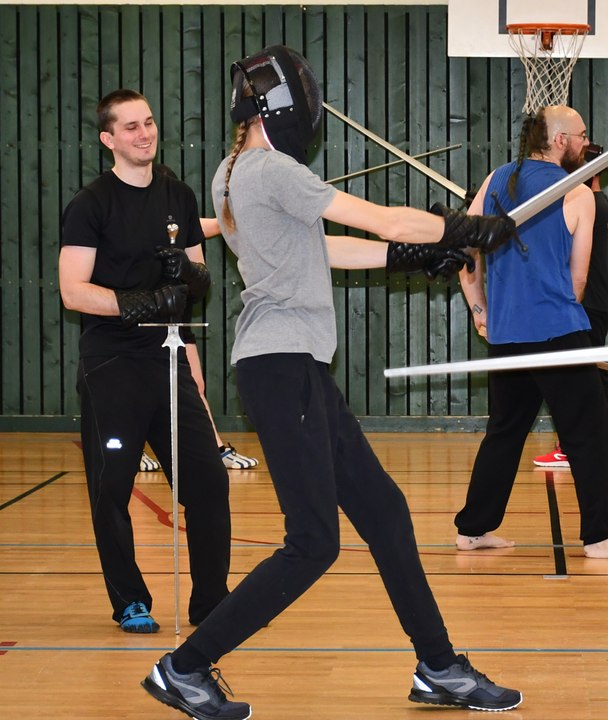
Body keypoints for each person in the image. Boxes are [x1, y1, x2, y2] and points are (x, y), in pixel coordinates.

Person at [138, 45, 521, 720]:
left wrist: (419, 253)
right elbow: (380, 219)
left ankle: (437, 667)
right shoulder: (269, 169)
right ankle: (185, 667)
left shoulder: (235, 174)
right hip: (282, 369)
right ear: (287, 105)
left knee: (385, 514)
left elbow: (332, 248)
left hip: (295, 368)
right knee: (314, 541)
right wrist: (463, 228)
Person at [59, 89, 232, 635]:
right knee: (112, 487)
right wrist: (137, 303)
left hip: (170, 358)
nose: (145, 133)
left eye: (150, 122)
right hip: (111, 363)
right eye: (131, 126)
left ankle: (211, 603)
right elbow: (72, 292)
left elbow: (196, 278)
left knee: (207, 481)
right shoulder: (90, 205)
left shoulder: (178, 197)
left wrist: (190, 285)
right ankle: (130, 600)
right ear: (109, 139)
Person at [456, 106, 608, 560]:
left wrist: (480, 308)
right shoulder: (578, 194)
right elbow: (578, 281)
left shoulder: (495, 180)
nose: (587, 143)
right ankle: (600, 537)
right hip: (558, 333)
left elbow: (465, 248)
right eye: (581, 135)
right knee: (592, 432)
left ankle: (473, 529)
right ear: (560, 139)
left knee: (504, 430)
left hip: (508, 337)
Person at [138, 199, 259, 473]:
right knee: (139, 395)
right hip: (143, 324)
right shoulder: (139, 229)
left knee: (195, 386)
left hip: (177, 321)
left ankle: (215, 448)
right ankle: (133, 451)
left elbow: (207, 226)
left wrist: (242, 211)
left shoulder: (183, 226)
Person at [533, 141, 608, 473]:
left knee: (592, 381)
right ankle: (573, 446)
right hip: (589, 305)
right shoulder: (594, 202)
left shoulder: (591, 204)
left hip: (587, 305)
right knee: (577, 379)